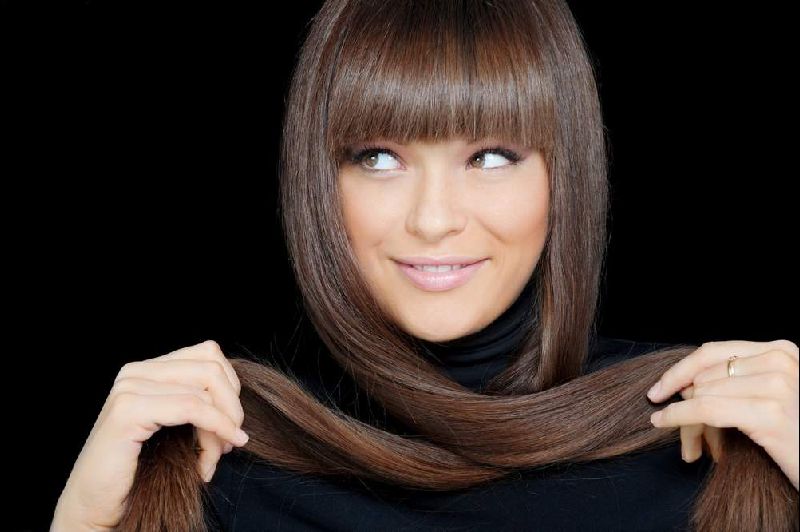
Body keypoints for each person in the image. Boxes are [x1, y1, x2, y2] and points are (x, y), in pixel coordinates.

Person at [51, 0, 799, 531]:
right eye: (379, 158)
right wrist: (80, 522)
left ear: (563, 176)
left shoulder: (711, 435)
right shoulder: (215, 455)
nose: (434, 219)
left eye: (491, 156)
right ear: (318, 182)